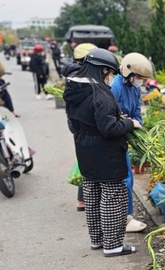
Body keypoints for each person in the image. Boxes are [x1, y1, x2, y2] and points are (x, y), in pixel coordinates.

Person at [63, 48, 141, 257]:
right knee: (113, 197)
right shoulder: (100, 94)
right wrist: (128, 123)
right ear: (103, 69)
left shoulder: (74, 90)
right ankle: (113, 245)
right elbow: (110, 129)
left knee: (93, 195)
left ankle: (97, 240)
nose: (111, 77)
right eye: (110, 73)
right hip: (106, 154)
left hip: (85, 151)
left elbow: (76, 122)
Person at [110, 52, 153, 233]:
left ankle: (124, 215)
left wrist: (137, 123)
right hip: (116, 135)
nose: (140, 81)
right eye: (139, 77)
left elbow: (136, 110)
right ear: (128, 73)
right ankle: (125, 218)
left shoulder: (135, 89)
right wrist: (125, 121)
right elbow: (111, 114)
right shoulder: (115, 87)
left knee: (128, 177)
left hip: (127, 133)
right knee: (125, 177)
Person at [61, 43, 98, 212]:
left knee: (85, 157)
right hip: (86, 122)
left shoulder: (71, 75)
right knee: (92, 160)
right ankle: (89, 200)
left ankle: (82, 200)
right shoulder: (84, 76)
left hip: (73, 121)